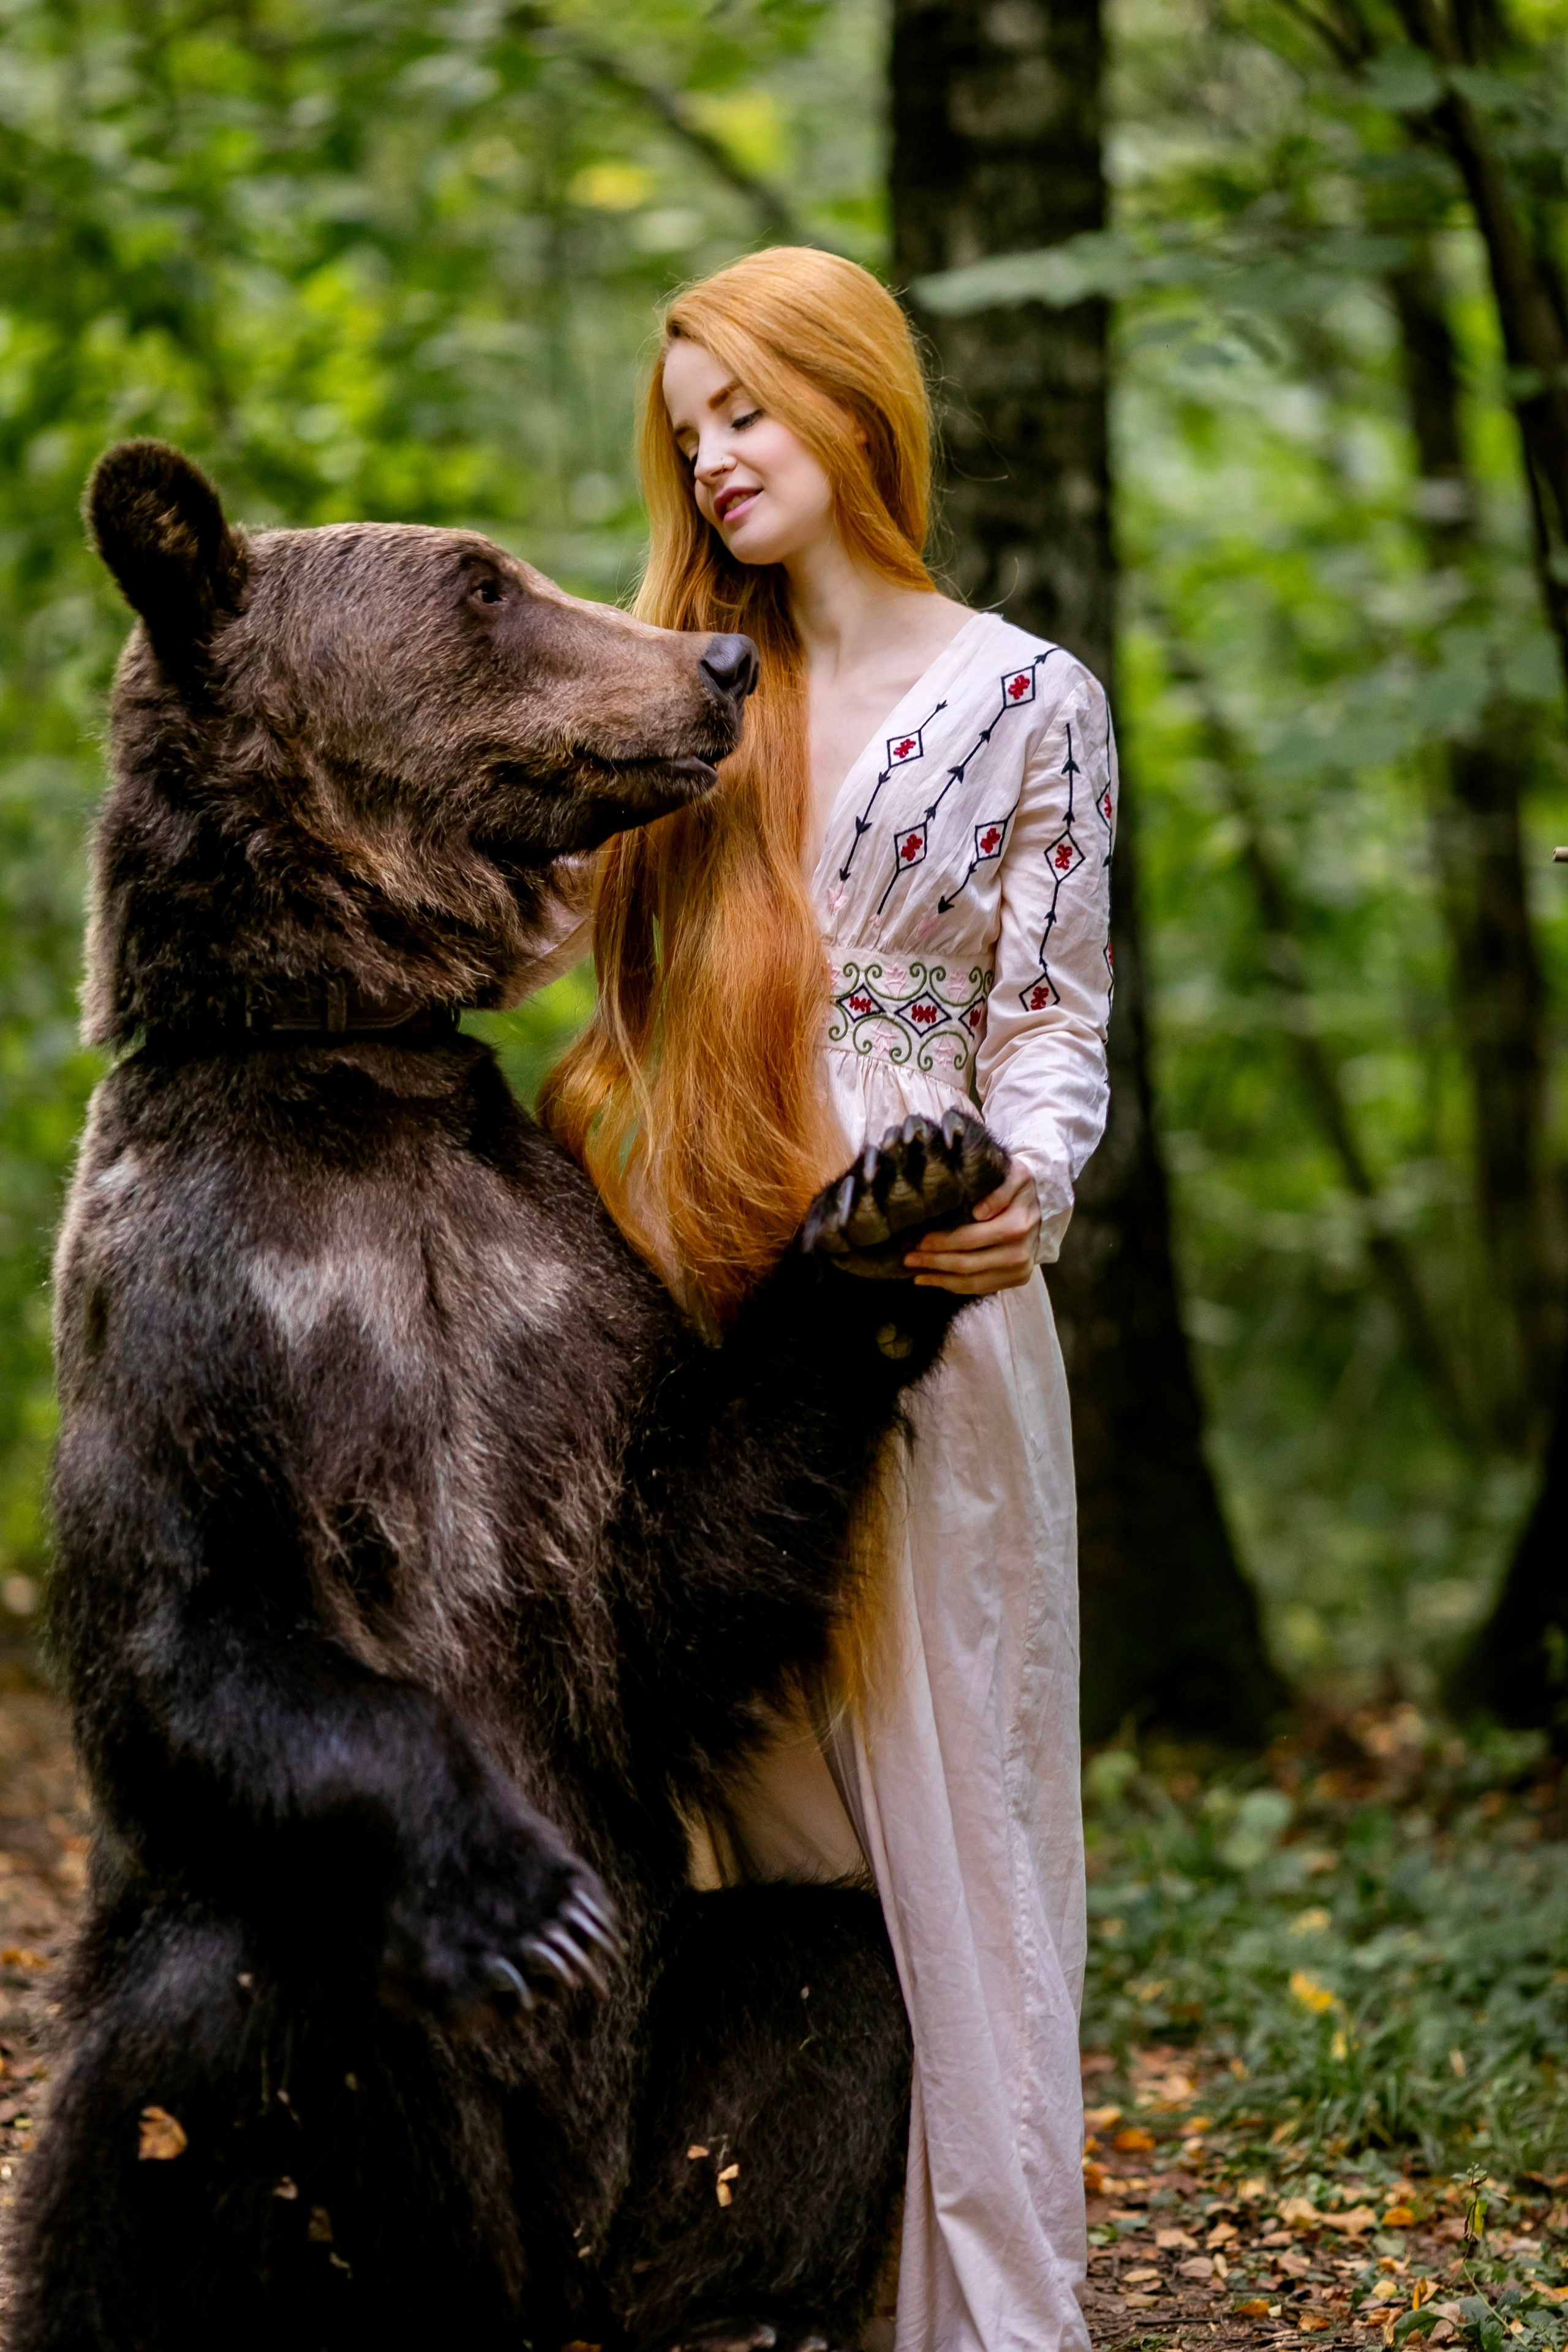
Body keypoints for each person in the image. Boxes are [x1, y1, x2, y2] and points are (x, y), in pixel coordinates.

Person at [533, 247, 1116, 2352]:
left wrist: (1028, 1188)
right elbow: (535, 928)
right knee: (752, 1807)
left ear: (856, 406)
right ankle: (778, 2269)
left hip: (917, 1270)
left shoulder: (1030, 696)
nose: (712, 456)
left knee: (958, 1807)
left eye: (747, 409)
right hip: (691, 1268)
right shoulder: (681, 687)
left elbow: (1051, 1023)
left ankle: (985, 2309)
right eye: (689, 425)